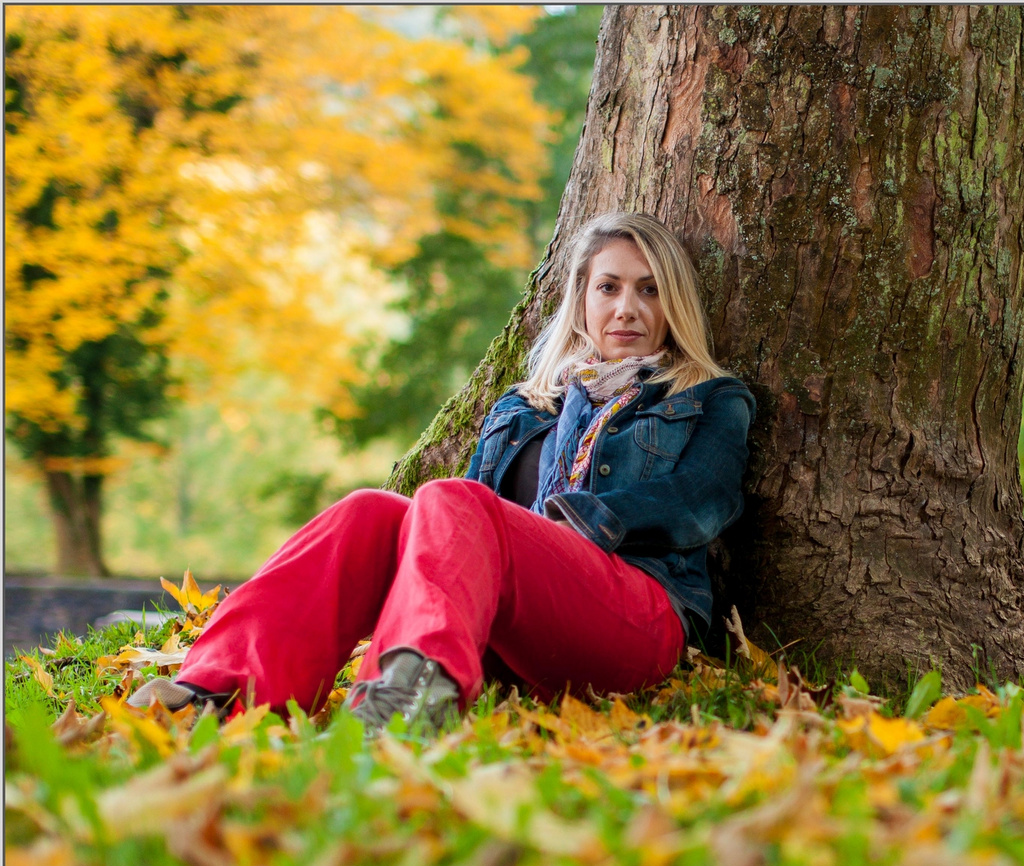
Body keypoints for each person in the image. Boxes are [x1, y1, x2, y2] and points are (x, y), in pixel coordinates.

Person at [130, 212, 755, 730]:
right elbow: (460, 527)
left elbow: (704, 498)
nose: (627, 309)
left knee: (453, 500)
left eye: (649, 290)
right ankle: (215, 691)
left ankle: (407, 697)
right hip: (516, 628)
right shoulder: (525, 407)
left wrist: (590, 521)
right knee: (371, 511)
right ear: (582, 300)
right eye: (609, 287)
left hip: (636, 616)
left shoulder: (706, 397)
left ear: (673, 304)